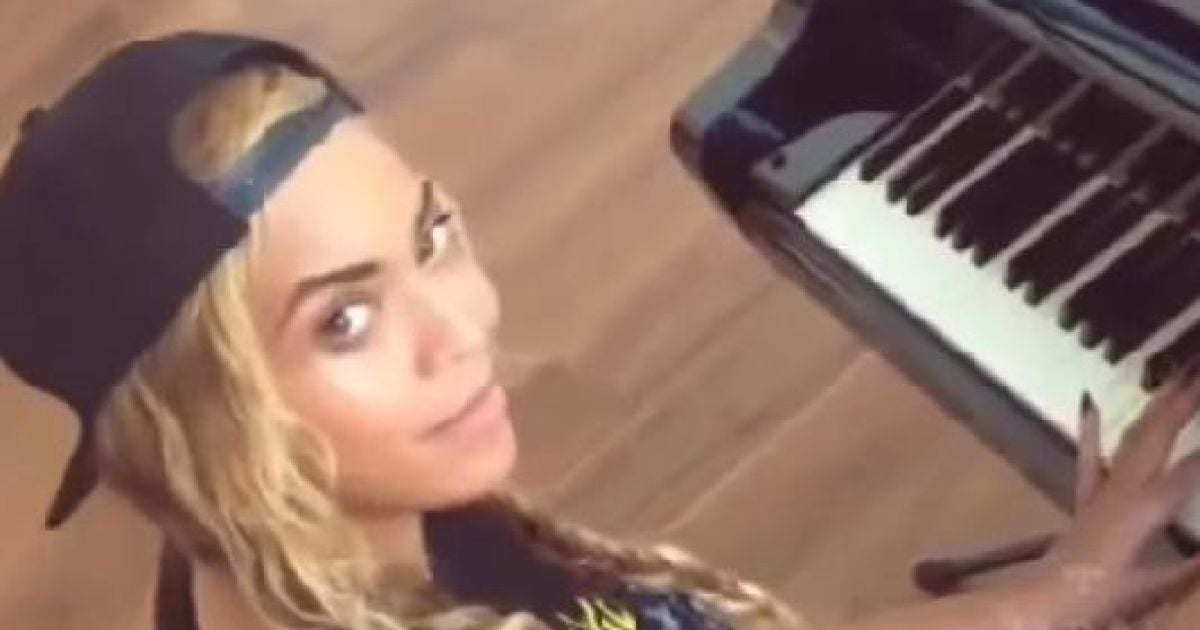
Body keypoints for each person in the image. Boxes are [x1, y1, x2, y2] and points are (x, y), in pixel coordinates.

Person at [3, 31, 1200, 630]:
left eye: (433, 235)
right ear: (192, 420)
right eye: (346, 319)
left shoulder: (311, 552)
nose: (465, 327)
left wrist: (1067, 584)